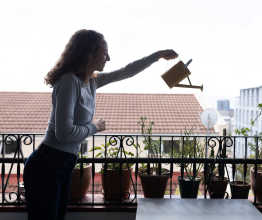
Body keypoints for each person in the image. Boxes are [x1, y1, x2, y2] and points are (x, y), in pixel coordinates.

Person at [23, 29, 178, 220]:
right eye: (105, 53)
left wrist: (157, 55)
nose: (109, 58)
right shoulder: (68, 82)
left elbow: (127, 71)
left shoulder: (91, 82)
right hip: (47, 165)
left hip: (63, 164)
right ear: (88, 53)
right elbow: (64, 133)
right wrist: (95, 127)